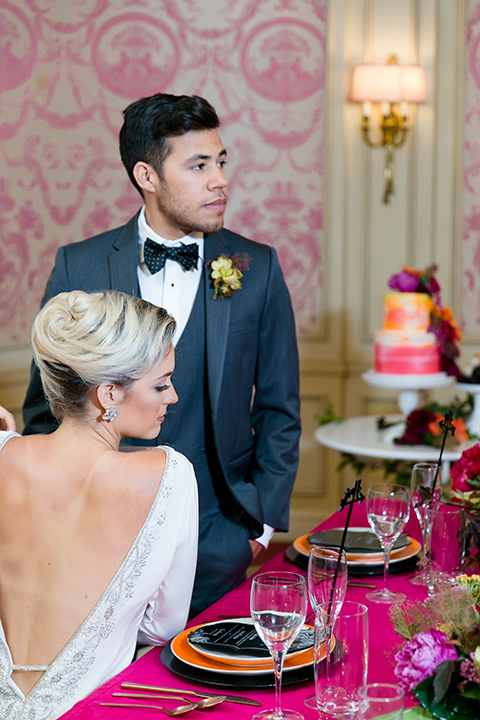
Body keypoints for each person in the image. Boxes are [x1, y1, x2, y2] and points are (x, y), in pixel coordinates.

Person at [22, 93, 301, 617]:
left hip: (218, 536)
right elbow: (44, 410)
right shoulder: (77, 266)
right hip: (99, 537)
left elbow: (280, 409)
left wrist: (258, 529)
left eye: (220, 162)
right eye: (198, 165)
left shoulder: (257, 268)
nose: (219, 180)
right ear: (147, 176)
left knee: (210, 690)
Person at [1, 290, 198, 719]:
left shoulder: (3, 455)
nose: (173, 397)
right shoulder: (169, 476)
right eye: (161, 384)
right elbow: (162, 628)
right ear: (109, 394)